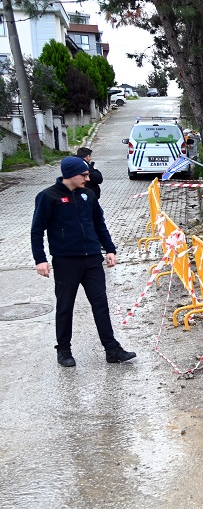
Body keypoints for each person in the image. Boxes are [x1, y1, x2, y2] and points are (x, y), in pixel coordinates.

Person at [31, 156, 137, 367]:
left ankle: (112, 349)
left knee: (101, 305)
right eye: (84, 175)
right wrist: (40, 259)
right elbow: (36, 230)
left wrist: (110, 249)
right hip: (65, 261)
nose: (88, 179)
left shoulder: (88, 195)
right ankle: (64, 351)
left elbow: (99, 224)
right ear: (70, 174)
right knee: (65, 307)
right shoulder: (47, 197)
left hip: (92, 260)